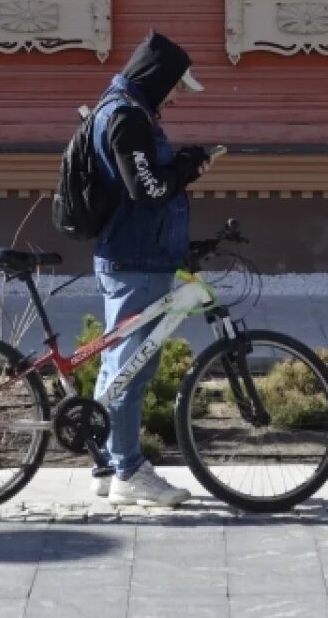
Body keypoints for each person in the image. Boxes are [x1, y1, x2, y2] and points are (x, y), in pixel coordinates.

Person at [88, 30, 212, 506]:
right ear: (159, 78)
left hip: (135, 254)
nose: (177, 98)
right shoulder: (126, 117)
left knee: (118, 364)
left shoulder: (125, 111)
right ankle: (128, 471)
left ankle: (106, 461)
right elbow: (149, 190)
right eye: (177, 87)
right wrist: (189, 166)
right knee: (131, 371)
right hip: (135, 257)